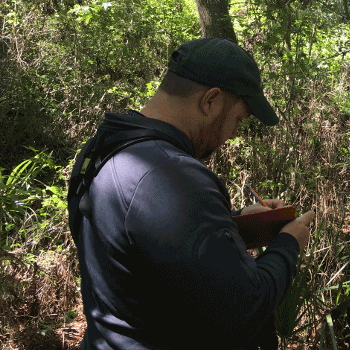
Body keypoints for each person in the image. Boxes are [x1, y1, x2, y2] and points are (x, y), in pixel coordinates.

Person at [67, 37, 315, 350]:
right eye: (237, 120)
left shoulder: (101, 150)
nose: (232, 135)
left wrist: (237, 225)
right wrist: (288, 245)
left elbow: (141, 249)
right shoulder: (174, 175)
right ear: (210, 101)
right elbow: (241, 312)